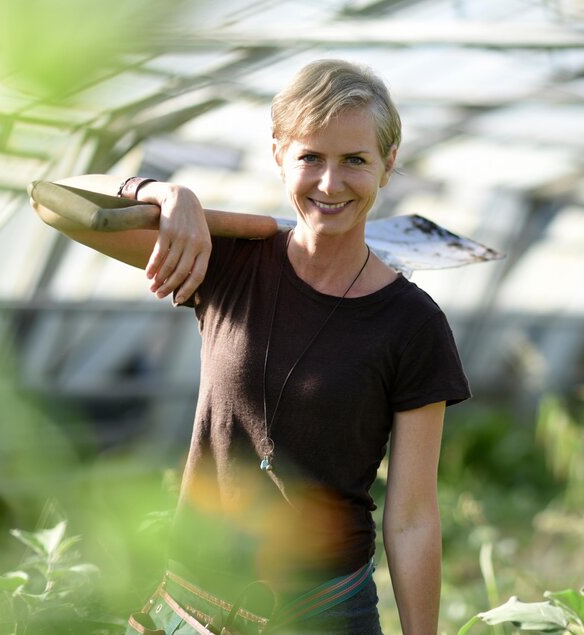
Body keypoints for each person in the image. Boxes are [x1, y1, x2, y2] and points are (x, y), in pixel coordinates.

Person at [31, 59, 470, 634]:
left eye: (354, 160)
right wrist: (162, 194)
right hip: (194, 605)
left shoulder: (413, 323)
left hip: (323, 611)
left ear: (388, 164)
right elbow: (50, 199)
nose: (330, 184)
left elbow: (411, 518)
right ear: (279, 155)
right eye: (310, 156)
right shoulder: (227, 262)